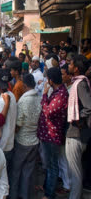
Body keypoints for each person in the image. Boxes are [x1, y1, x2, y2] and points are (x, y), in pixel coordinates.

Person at [37, 67, 69, 199]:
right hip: (47, 134)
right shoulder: (57, 91)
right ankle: (46, 187)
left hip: (52, 135)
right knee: (48, 164)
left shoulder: (61, 94)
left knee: (52, 166)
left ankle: (49, 194)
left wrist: (44, 94)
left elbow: (49, 111)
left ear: (51, 80)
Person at [9, 74, 41, 199]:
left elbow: (19, 123)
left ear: (25, 85)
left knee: (16, 171)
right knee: (28, 171)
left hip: (23, 140)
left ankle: (14, 195)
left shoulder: (23, 100)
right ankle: (25, 195)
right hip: (34, 140)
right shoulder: (38, 98)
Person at [66, 55, 91, 199]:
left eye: (70, 64)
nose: (68, 66)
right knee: (76, 169)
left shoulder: (80, 84)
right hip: (77, 131)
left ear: (75, 69)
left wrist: (78, 117)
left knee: (75, 171)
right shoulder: (78, 82)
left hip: (76, 132)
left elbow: (88, 106)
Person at [0, 68, 17, 177]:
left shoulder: (2, 101)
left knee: (1, 178)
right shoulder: (12, 95)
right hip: (10, 143)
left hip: (3, 145)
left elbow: (0, 121)